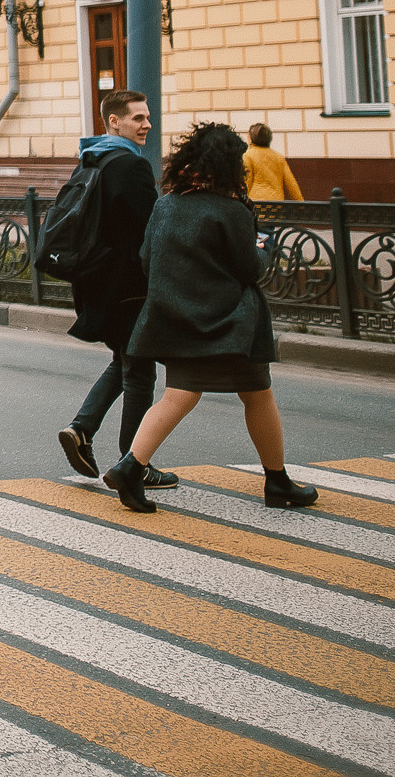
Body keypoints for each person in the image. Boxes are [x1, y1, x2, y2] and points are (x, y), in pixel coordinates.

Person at [105, 122, 320, 514]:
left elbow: (146, 259)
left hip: (174, 318)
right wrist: (264, 248)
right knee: (258, 394)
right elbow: (250, 268)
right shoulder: (230, 210)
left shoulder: (165, 203)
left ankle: (130, 466)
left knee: (179, 394)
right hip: (228, 323)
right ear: (228, 166)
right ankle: (276, 480)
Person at [54, 91, 175, 489]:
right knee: (139, 372)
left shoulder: (92, 160)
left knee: (124, 361)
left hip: (97, 282)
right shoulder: (129, 166)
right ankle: (133, 462)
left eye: (148, 117)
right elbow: (150, 230)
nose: (147, 125)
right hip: (128, 286)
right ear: (114, 123)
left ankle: (81, 428)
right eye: (138, 118)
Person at [241, 124, 302, 201]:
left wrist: (242, 201)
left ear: (251, 138)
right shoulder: (279, 157)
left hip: (256, 203)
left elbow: (247, 181)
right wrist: (301, 204)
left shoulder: (248, 155)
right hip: (277, 202)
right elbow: (292, 185)